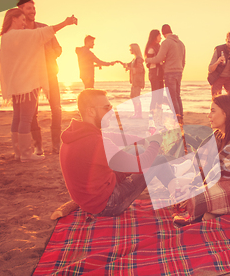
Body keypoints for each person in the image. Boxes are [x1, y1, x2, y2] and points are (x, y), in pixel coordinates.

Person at [59, 89, 177, 217]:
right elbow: (142, 164)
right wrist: (155, 142)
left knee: (138, 150)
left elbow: (114, 136)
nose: (111, 111)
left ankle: (172, 177)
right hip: (108, 205)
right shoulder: (98, 143)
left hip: (90, 198)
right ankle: (180, 194)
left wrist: (144, 140)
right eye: (106, 108)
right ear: (91, 111)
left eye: (111, 106)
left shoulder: (76, 134)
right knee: (159, 161)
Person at [172, 94, 230, 225]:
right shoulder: (219, 133)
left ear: (226, 113)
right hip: (224, 184)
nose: (208, 116)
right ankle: (209, 213)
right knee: (182, 186)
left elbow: (217, 173)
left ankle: (207, 214)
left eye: (213, 111)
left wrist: (193, 192)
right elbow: (200, 160)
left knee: (195, 197)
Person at [0, 8, 77, 162]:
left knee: (17, 118)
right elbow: (43, 33)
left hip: (16, 85)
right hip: (28, 84)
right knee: (25, 119)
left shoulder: (5, 37)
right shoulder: (19, 34)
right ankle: (26, 155)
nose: (24, 23)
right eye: (22, 20)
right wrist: (66, 23)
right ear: (14, 19)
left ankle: (19, 153)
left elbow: (0, 59)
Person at [17, 0, 62, 154]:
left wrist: (50, 52)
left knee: (56, 108)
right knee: (32, 113)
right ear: (20, 10)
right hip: (30, 77)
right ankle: (38, 146)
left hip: (50, 74)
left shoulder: (44, 28)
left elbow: (59, 49)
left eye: (33, 8)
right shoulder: (18, 32)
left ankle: (57, 144)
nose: (33, 11)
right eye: (29, 9)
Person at [145, 24, 185, 124]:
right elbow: (183, 61)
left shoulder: (166, 43)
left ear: (163, 33)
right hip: (179, 72)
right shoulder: (181, 43)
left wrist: (147, 59)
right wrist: (180, 70)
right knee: (177, 95)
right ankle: (181, 116)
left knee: (172, 97)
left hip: (169, 72)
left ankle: (176, 118)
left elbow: (159, 58)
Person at [207, 31, 230, 97]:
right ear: (226, 40)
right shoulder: (219, 49)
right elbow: (210, 69)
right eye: (228, 41)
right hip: (217, 77)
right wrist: (218, 62)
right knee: (216, 99)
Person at [119, 44, 145, 118]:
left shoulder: (139, 59)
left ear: (134, 49)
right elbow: (128, 65)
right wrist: (121, 63)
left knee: (136, 97)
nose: (130, 50)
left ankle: (138, 114)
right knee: (133, 96)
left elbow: (140, 70)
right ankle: (136, 113)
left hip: (137, 81)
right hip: (134, 81)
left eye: (131, 49)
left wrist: (130, 69)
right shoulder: (134, 59)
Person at [144, 29, 164, 113]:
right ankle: (152, 113)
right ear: (155, 36)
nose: (161, 37)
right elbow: (149, 64)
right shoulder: (151, 48)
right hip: (154, 74)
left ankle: (158, 112)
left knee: (160, 95)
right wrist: (158, 61)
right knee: (155, 95)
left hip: (159, 74)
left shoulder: (159, 47)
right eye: (159, 36)